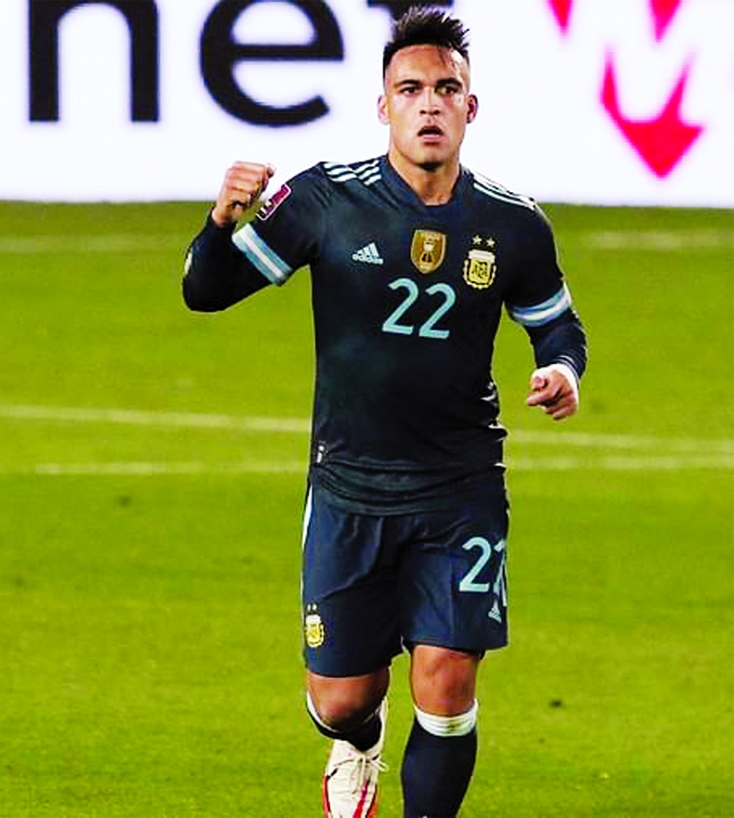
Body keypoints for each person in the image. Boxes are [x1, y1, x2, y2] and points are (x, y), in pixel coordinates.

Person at [182, 6, 587, 817]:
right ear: (384, 107)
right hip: (349, 486)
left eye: (447, 88)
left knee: (447, 677)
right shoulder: (325, 200)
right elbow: (206, 291)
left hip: (461, 485)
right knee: (339, 697)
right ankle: (359, 743)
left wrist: (561, 368)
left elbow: (557, 324)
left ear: (473, 106)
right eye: (411, 89)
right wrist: (220, 222)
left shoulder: (513, 224)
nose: (429, 103)